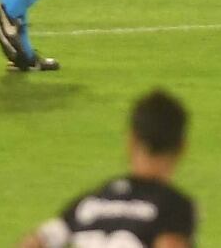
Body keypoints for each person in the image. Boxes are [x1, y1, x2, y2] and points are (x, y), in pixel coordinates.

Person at [20, 90, 196, 248]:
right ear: (182, 148)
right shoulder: (173, 207)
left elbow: (35, 242)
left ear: (131, 142)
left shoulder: (91, 202)